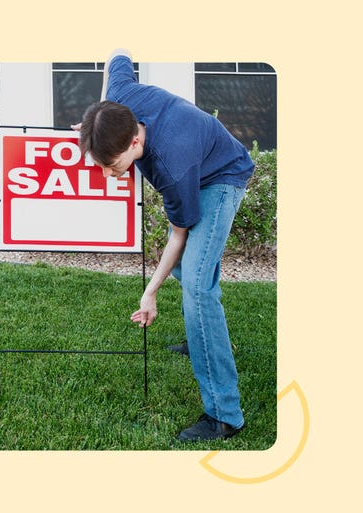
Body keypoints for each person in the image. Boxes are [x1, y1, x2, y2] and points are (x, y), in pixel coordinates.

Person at [75, 49, 255, 442]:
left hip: (221, 176)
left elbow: (179, 235)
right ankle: (203, 337)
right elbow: (117, 56)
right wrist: (92, 125)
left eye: (114, 164)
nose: (108, 174)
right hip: (199, 157)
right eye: (102, 165)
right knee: (195, 274)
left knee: (195, 285)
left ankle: (225, 416)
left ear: (136, 139)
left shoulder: (173, 166)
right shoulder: (119, 96)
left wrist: (150, 293)